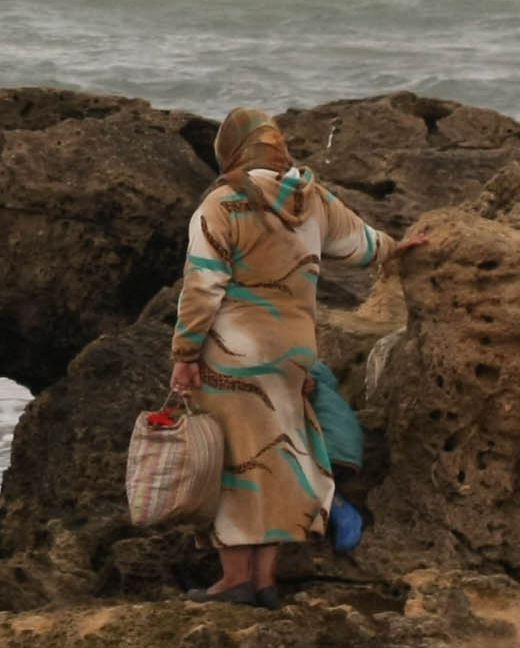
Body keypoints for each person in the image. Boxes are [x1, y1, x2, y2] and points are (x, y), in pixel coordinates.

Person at [166, 108, 412, 605]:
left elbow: (203, 284)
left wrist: (185, 353)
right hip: (294, 352)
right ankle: (265, 581)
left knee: (233, 461)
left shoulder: (223, 202)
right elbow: (363, 245)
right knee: (281, 455)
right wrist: (402, 249)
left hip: (235, 351)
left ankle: (235, 580)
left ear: (231, 150)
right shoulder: (312, 198)